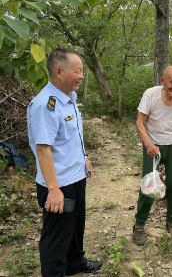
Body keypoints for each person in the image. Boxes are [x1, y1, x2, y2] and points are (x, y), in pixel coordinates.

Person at [27, 48, 102, 277]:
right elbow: (43, 149)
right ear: (59, 71)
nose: (82, 76)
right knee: (57, 236)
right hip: (59, 184)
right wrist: (54, 190)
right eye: (78, 71)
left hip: (76, 176)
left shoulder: (69, 98)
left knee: (76, 226)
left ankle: (74, 262)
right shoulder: (45, 105)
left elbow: (70, 137)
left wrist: (84, 157)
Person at [132, 66, 172, 245]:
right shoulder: (150, 95)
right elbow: (139, 122)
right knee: (149, 185)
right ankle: (139, 224)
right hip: (153, 146)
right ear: (162, 81)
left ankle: (171, 220)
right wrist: (148, 144)